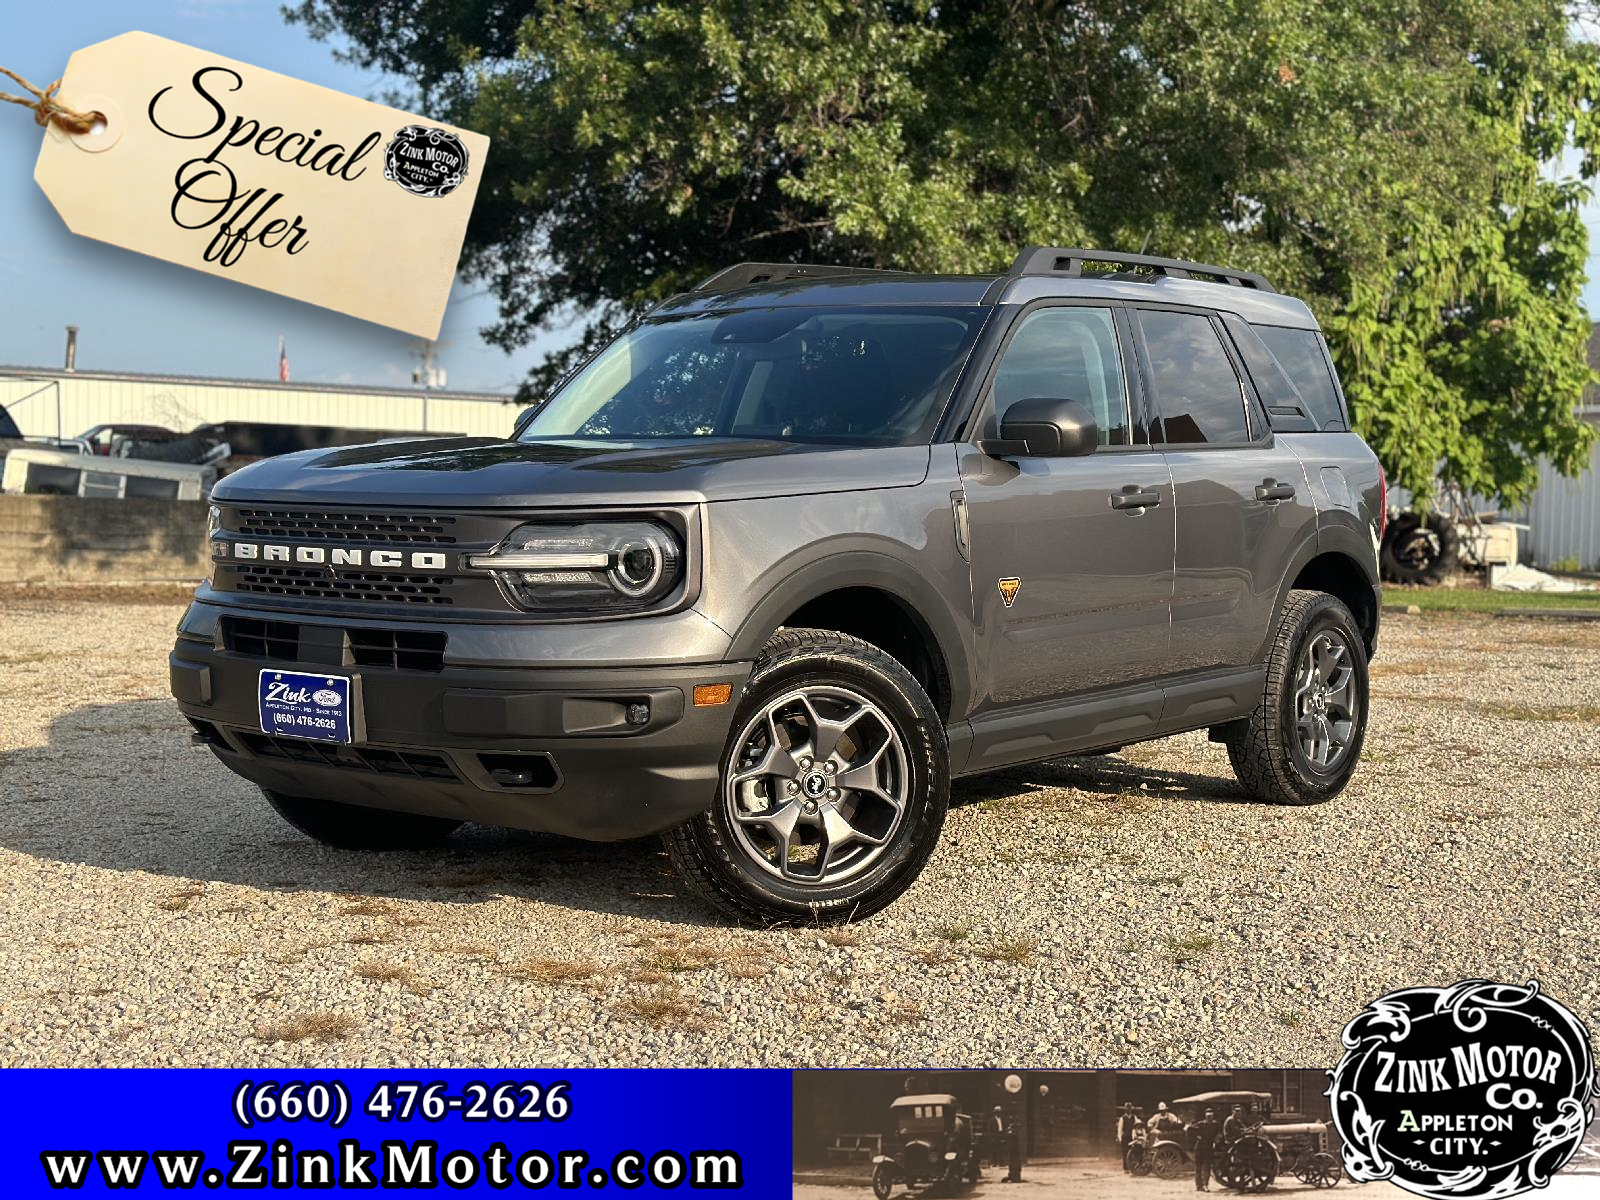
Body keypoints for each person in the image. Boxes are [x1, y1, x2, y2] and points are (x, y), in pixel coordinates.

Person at [1188, 1107, 1220, 1192]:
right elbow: (1189, 1130)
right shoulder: (1201, 1124)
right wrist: (1196, 1137)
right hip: (1200, 1147)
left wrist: (1216, 1139)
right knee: (1198, 1167)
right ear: (1205, 1116)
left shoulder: (1215, 1124)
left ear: (1213, 1116)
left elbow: (1221, 1132)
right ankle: (1198, 1186)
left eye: (1211, 1116)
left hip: (1209, 1148)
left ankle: (1205, 1185)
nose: (1209, 1117)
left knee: (1207, 1167)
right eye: (1208, 1116)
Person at [1117, 1104, 1140, 1171]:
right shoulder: (1122, 1118)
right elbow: (1120, 1129)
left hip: (1132, 1136)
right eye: (1127, 1108)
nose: (1128, 1110)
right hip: (1125, 1136)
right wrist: (1120, 1138)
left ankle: (1132, 1167)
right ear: (1125, 1109)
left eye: (1129, 1108)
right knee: (1125, 1152)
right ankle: (1125, 1167)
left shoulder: (1134, 1117)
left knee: (1133, 1152)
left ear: (1131, 1109)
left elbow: (1137, 1124)